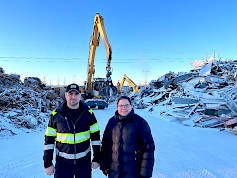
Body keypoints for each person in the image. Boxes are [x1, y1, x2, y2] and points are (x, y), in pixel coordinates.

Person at [43, 83, 101, 178]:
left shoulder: (88, 113)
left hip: (84, 163)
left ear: (80, 96)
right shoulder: (56, 115)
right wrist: (47, 163)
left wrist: (97, 158)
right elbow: (49, 141)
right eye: (70, 93)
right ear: (65, 95)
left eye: (76, 94)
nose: (73, 97)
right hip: (63, 164)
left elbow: (95, 138)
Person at [100, 95, 155, 178]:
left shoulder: (140, 123)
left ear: (131, 106)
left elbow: (148, 148)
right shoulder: (112, 122)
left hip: (133, 172)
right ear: (117, 107)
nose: (124, 108)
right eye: (121, 106)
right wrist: (104, 165)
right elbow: (105, 145)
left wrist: (145, 173)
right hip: (114, 172)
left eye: (126, 105)